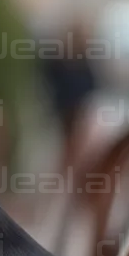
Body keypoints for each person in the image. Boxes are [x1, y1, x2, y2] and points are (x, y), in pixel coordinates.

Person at [41, 15, 98, 172]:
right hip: (66, 110)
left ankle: (68, 173)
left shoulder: (83, 61)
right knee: (66, 146)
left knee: (75, 146)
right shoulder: (62, 60)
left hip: (78, 111)